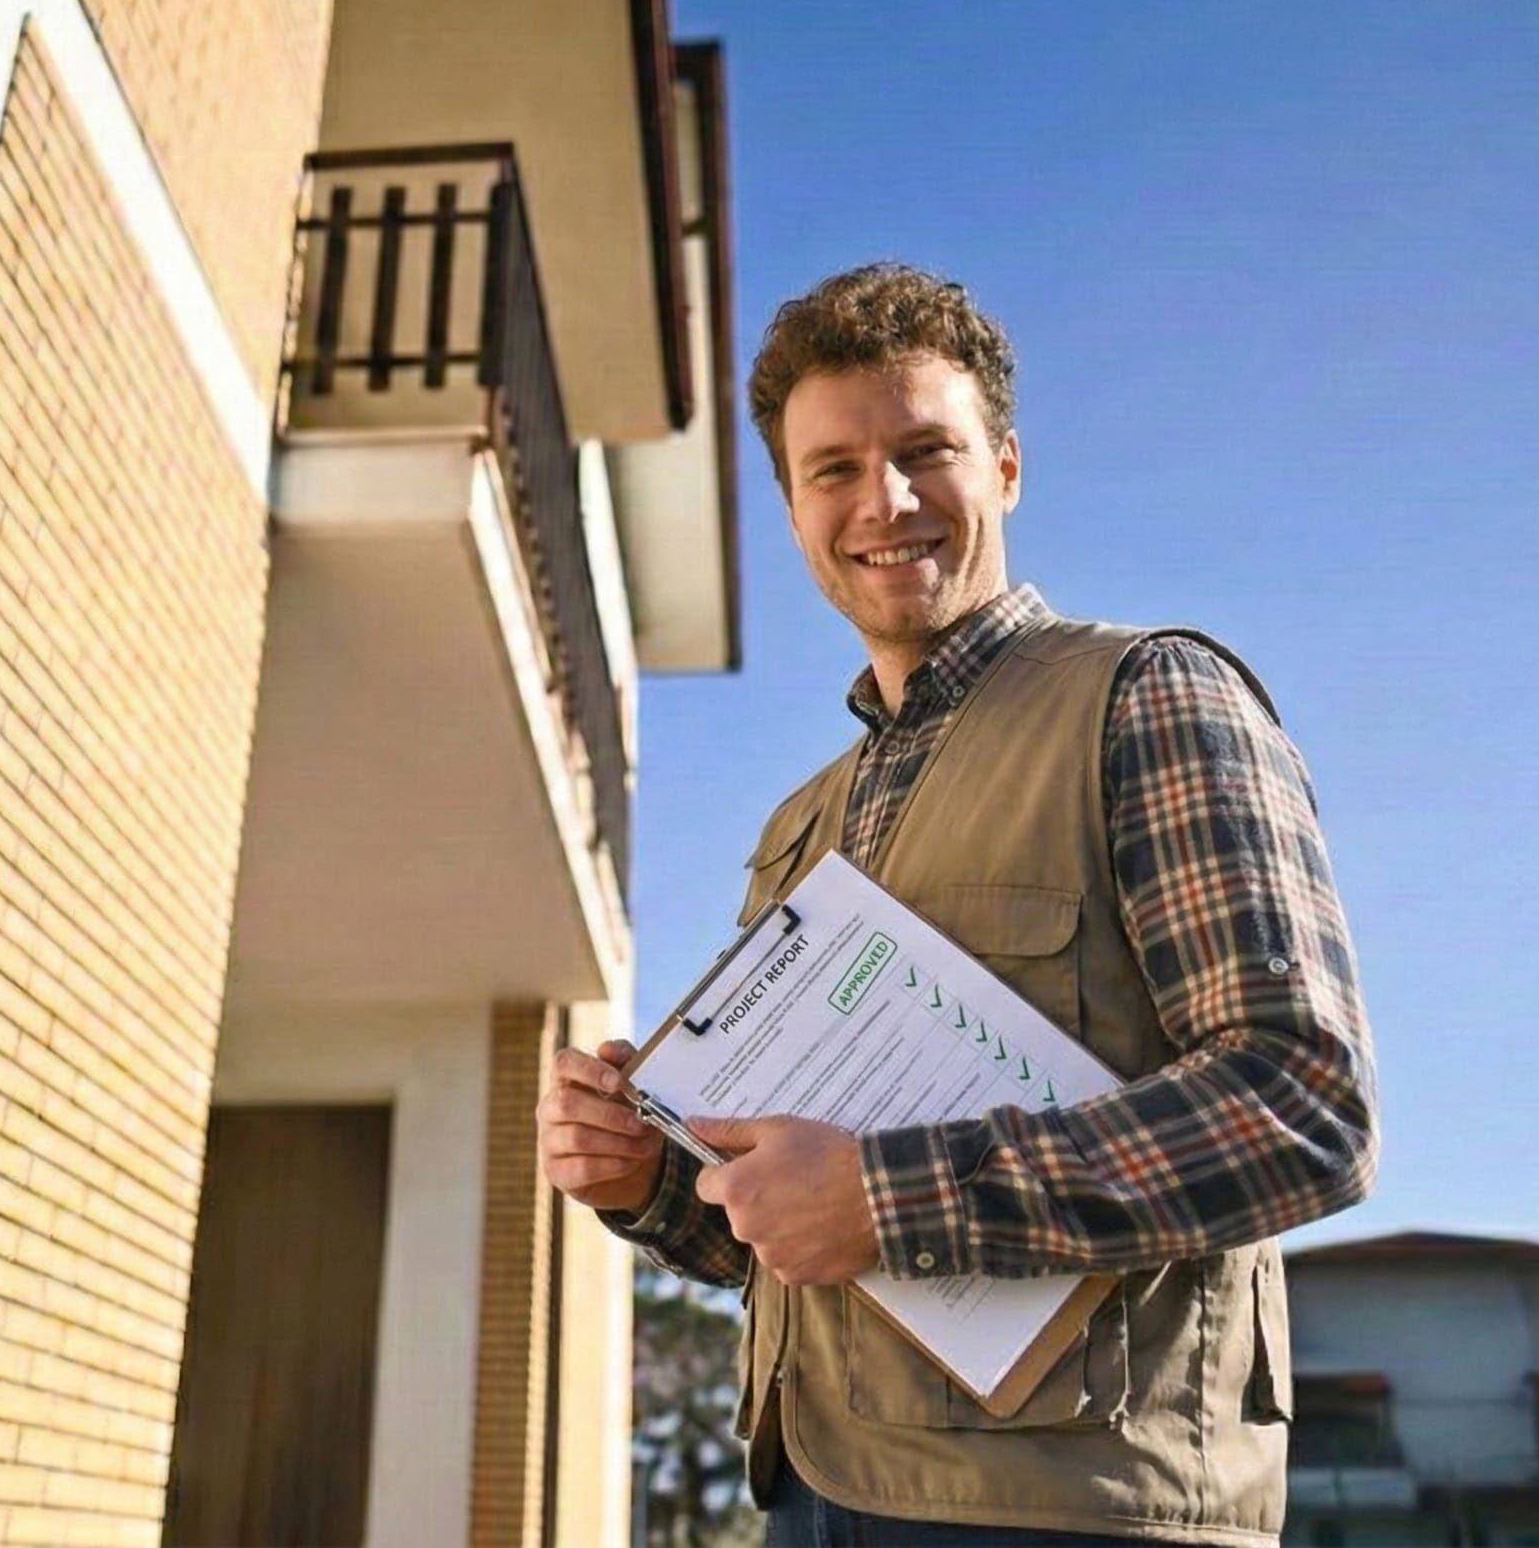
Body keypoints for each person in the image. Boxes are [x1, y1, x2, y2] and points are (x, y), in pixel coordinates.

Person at [536, 264, 1380, 1547]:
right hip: (814, 1493)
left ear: (1007, 468)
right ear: (791, 505)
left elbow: (1303, 1105)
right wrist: (652, 1177)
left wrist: (886, 1195)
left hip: (1081, 1509)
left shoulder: (1148, 698)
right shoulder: (795, 829)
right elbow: (780, 1239)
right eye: (832, 469)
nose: (883, 501)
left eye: (926, 450)